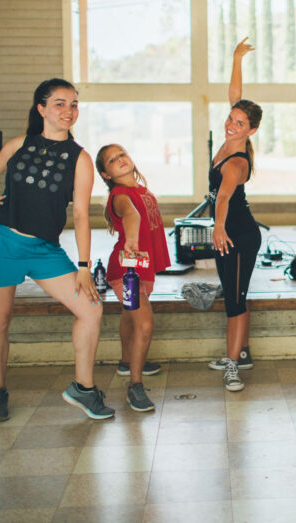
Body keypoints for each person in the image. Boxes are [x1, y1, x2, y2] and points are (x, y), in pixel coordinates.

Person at [0, 78, 113, 422]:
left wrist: (83, 265)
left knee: (91, 309)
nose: (68, 111)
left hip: (44, 249)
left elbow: (81, 214)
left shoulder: (80, 158)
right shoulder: (20, 143)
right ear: (41, 109)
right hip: (1, 240)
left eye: (74, 104)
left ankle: (83, 387)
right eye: (59, 103)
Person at [95, 143, 170, 412]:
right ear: (106, 174)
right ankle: (134, 386)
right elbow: (132, 214)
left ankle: (128, 361)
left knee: (130, 315)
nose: (120, 160)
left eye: (122, 154)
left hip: (140, 267)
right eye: (112, 160)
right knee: (145, 324)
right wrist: (134, 239)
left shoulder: (140, 188)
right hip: (127, 272)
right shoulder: (120, 195)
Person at [206, 38, 262, 392]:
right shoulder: (229, 142)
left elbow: (224, 197)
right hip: (229, 231)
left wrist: (218, 227)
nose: (231, 123)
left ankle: (233, 364)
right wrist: (236, 58)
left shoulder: (237, 160)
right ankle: (240, 352)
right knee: (233, 294)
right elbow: (235, 94)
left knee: (235, 301)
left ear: (251, 130)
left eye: (239, 122)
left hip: (237, 235)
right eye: (231, 118)